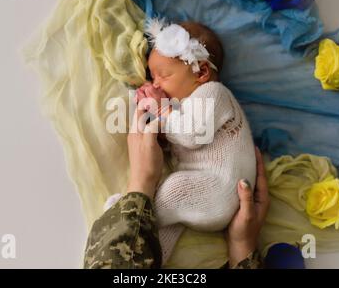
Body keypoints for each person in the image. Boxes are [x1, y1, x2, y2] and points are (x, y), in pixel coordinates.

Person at [83, 105, 270, 269]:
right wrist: (242, 246)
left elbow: (192, 134)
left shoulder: (212, 92)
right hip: (222, 202)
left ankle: (130, 218)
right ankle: (130, 220)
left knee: (175, 192)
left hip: (219, 194)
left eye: (164, 74)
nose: (156, 83)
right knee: (167, 231)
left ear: (202, 71)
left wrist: (141, 184)